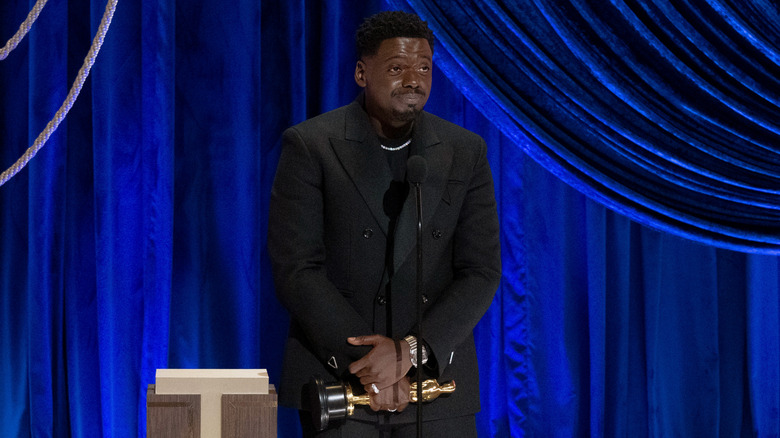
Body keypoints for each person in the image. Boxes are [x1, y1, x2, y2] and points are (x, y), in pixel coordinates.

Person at [268, 10, 501, 437]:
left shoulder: (465, 151)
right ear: (362, 72)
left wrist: (410, 353)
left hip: (436, 387)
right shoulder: (311, 145)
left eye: (424, 67)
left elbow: (481, 271)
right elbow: (296, 269)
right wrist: (371, 365)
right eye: (397, 67)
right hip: (341, 383)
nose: (414, 79)